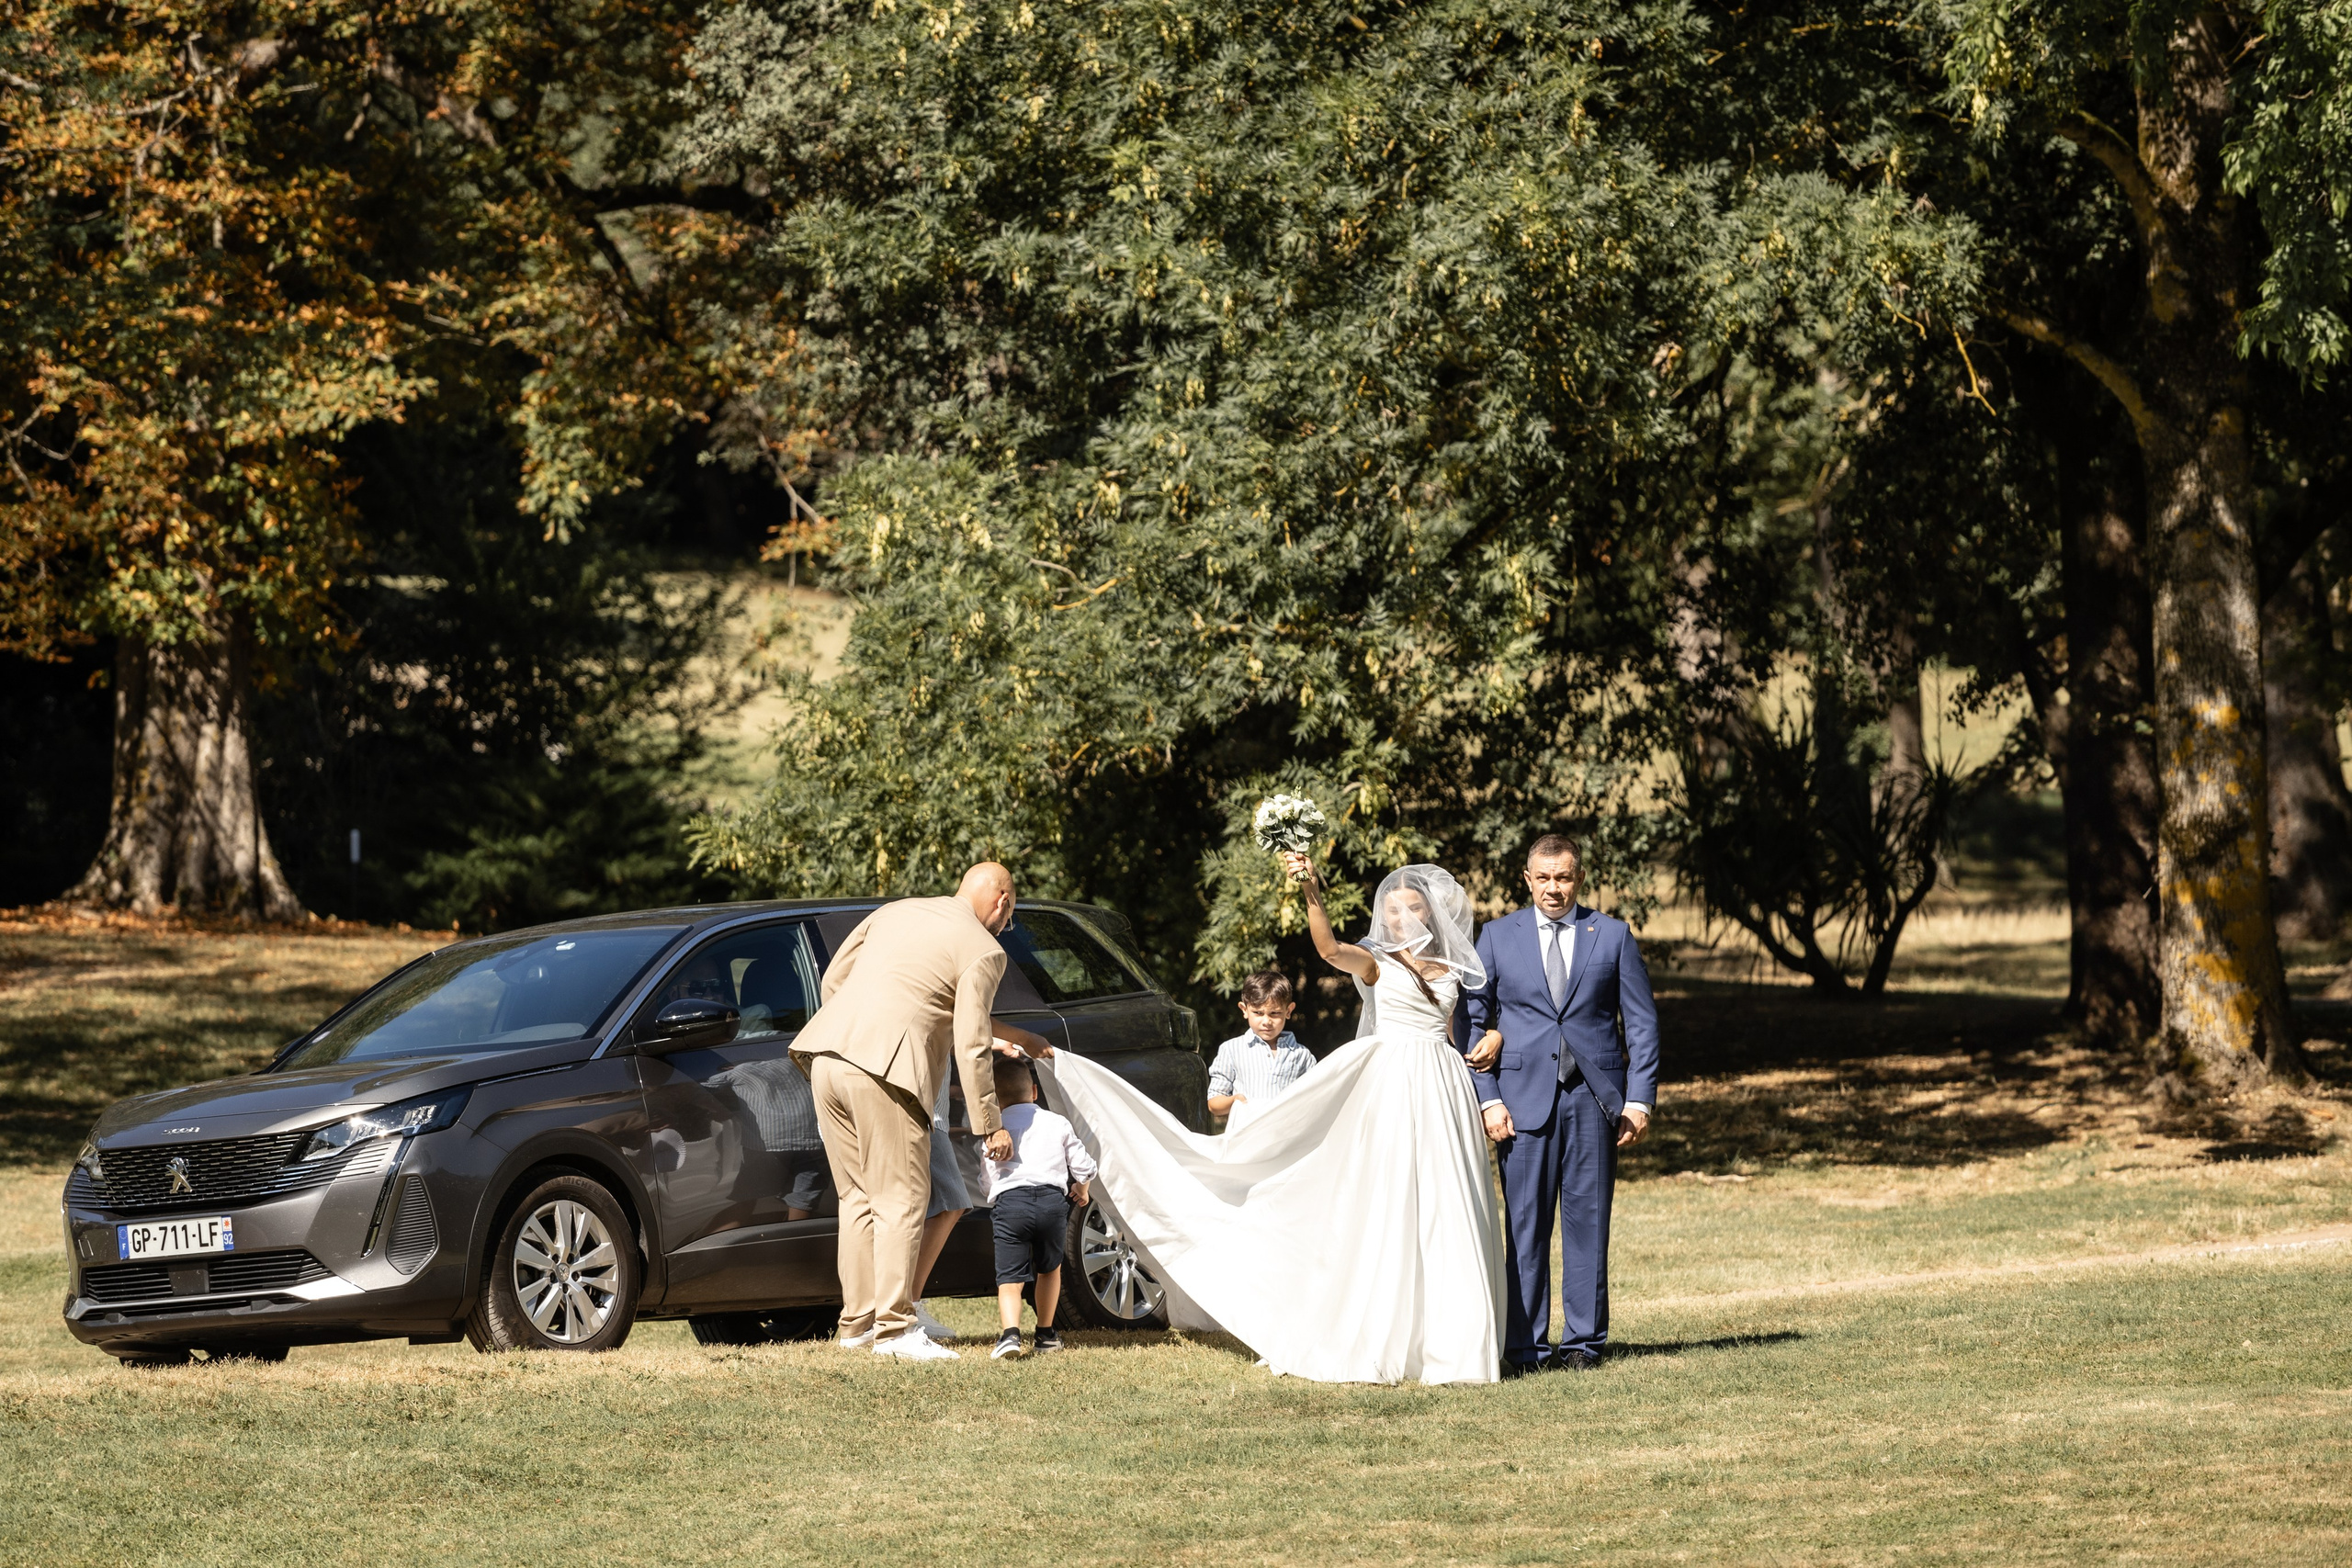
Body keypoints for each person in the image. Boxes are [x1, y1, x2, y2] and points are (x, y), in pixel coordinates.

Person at [1035, 857, 1506, 1384]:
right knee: (1391, 1197)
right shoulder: (1377, 963)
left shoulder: (1450, 969)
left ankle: (1452, 1342)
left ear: (1431, 913)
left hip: (1442, 1081)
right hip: (1393, 1082)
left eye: (1413, 908)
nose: (1402, 917)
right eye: (1393, 909)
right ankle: (1388, 1333)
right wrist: (1311, 891)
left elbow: (1459, 1028)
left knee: (1446, 1197)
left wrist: (1491, 1038)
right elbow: (1328, 950)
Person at [789, 862, 1021, 1361]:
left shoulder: (895, 910)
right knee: (902, 1200)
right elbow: (972, 1042)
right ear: (1002, 902)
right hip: (885, 1069)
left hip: (826, 1057)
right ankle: (895, 1329)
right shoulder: (983, 949)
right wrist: (990, 1123)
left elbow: (834, 980)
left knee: (857, 1199)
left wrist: (858, 1027)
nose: (1005, 927)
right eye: (1009, 917)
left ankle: (857, 1326)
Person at [1463, 832, 1658, 1373]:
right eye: (1544, 878)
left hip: (1595, 1101)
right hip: (1520, 1102)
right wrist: (1488, 1099)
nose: (1554, 888)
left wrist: (1639, 1100)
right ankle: (1525, 1347)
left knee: (1589, 1223)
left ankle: (1582, 1345)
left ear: (1579, 878)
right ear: (1527, 880)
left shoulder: (1612, 935)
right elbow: (1472, 1022)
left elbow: (1641, 1025)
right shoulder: (1497, 937)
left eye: (1564, 877)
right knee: (1524, 1227)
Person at [982, 1052, 1096, 1359]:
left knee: (1010, 1278)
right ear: (1034, 1091)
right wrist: (1081, 1189)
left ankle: (1010, 1335)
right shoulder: (1057, 1122)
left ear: (995, 1100)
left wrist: (997, 1197)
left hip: (1011, 1206)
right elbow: (1084, 1167)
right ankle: (1045, 1334)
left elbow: (987, 1180)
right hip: (1051, 1204)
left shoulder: (995, 1132)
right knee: (1049, 1269)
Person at [1205, 970, 1317, 1133]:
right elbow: (1213, 1103)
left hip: (1287, 1139)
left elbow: (1315, 1098)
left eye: (1275, 1013)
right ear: (1244, 1010)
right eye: (1258, 1013)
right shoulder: (1232, 1049)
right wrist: (1235, 1101)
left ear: (1289, 1011)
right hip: (1246, 1139)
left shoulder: (1302, 1055)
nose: (1266, 1021)